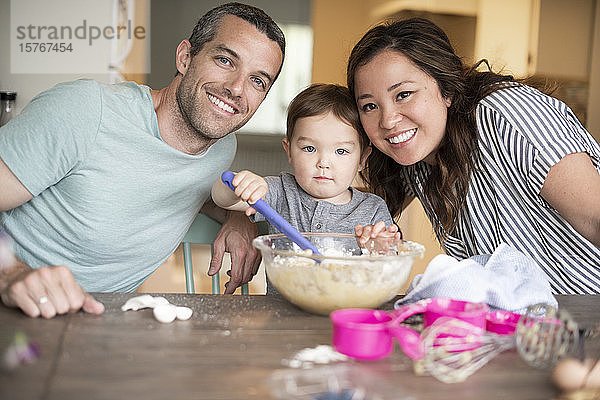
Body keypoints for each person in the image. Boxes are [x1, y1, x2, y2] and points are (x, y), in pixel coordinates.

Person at [0, 2, 286, 318]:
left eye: (257, 80)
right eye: (224, 60)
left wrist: (238, 218)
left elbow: (185, 188)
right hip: (15, 316)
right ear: (185, 57)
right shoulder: (85, 110)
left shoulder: (221, 149)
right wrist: (9, 274)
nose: (236, 88)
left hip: (103, 327)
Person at [347, 17, 600, 294]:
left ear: (447, 90)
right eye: (370, 106)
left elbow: (595, 219)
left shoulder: (505, 114)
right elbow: (350, 214)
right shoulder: (416, 159)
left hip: (587, 316)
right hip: (518, 327)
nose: (388, 120)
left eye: (404, 94)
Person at [211, 83, 400, 293]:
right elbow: (221, 198)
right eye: (309, 148)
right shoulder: (281, 191)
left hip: (346, 317)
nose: (323, 163)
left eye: (341, 151)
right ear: (289, 151)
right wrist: (239, 184)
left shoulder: (373, 209)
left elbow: (389, 273)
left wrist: (382, 250)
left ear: (362, 159)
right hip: (282, 318)